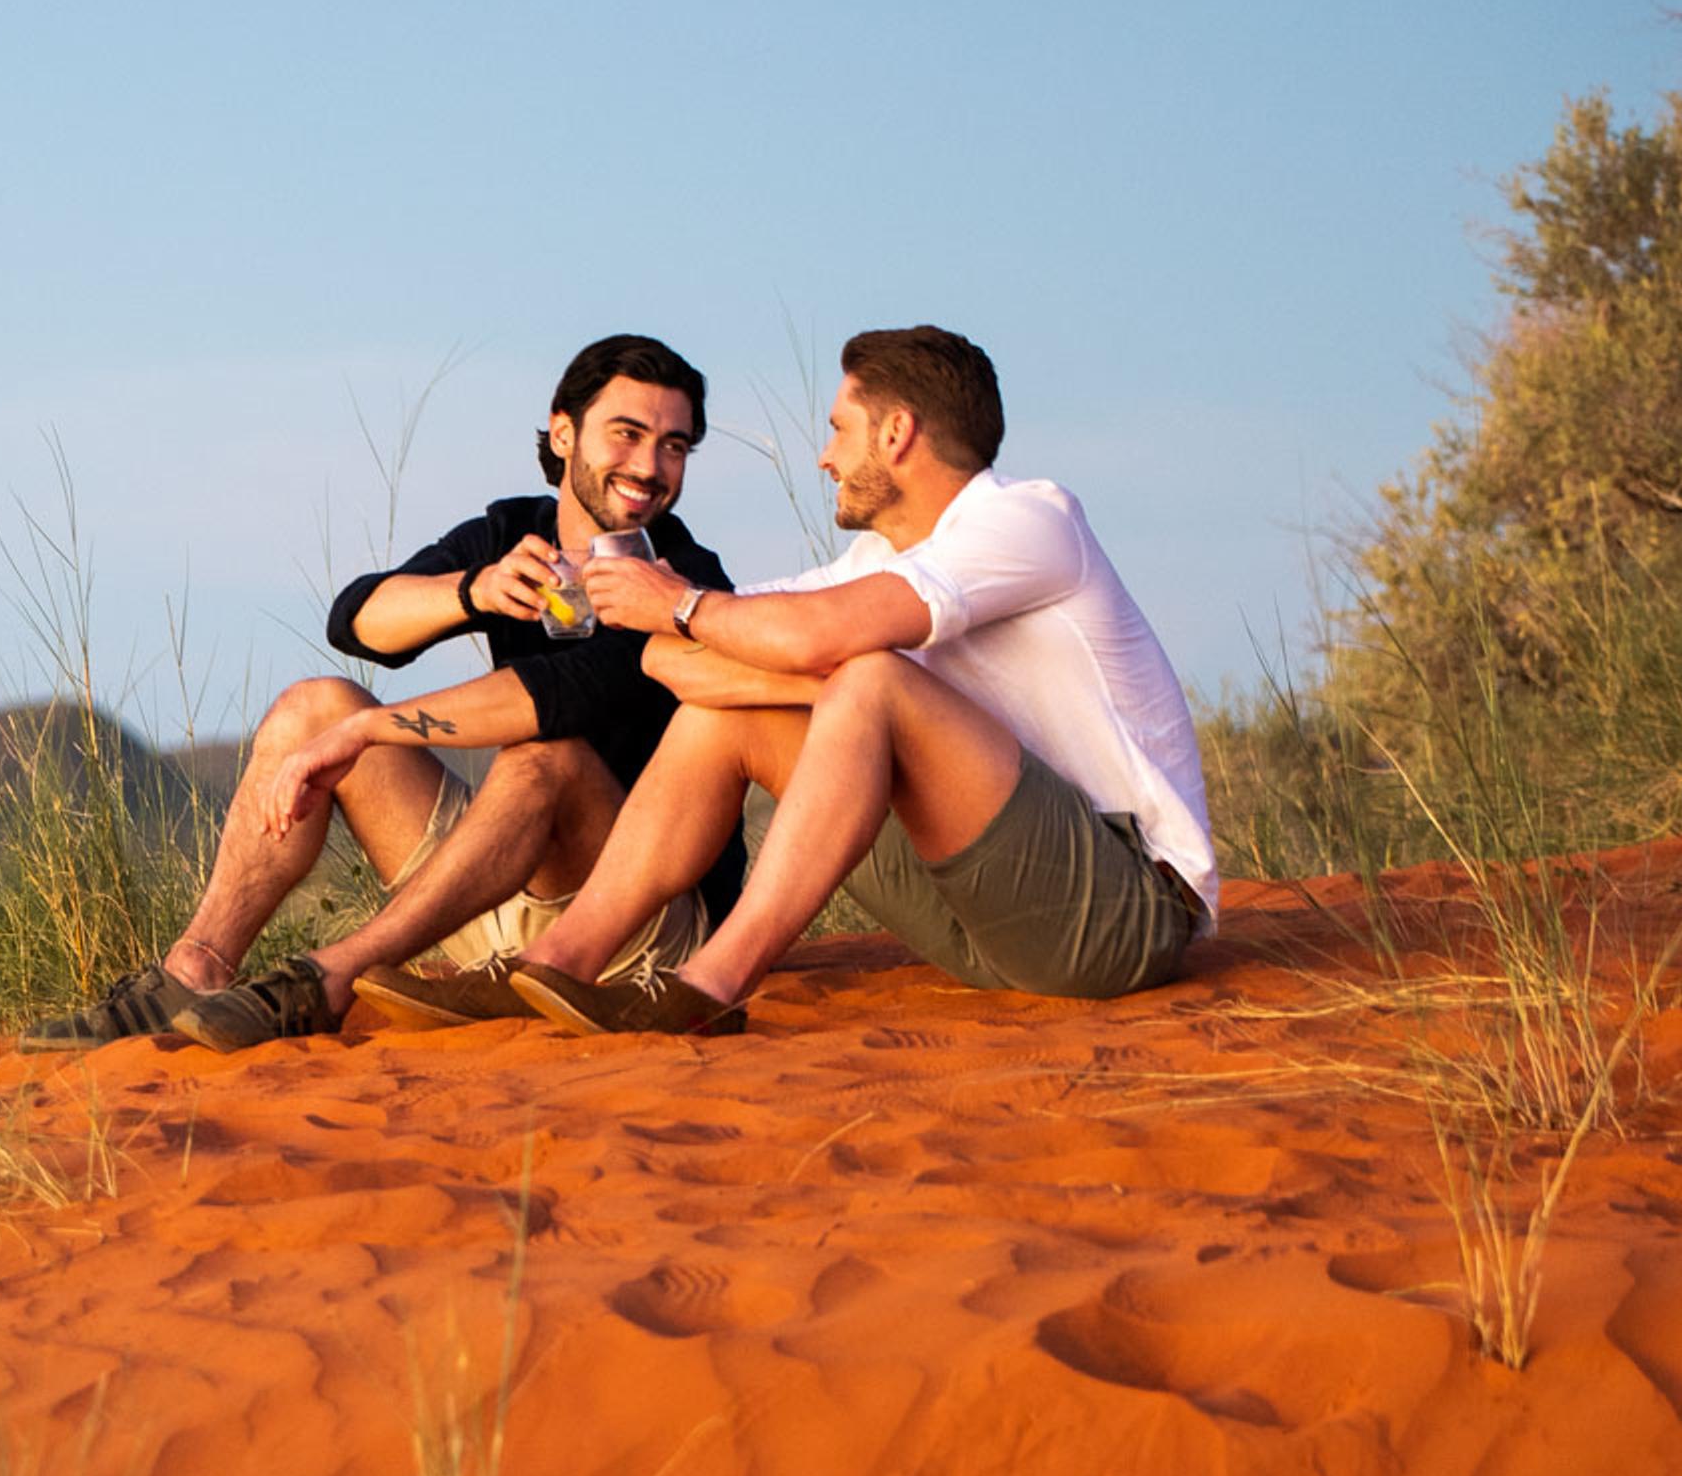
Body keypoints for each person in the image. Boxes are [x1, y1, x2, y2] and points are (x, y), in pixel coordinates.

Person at [24, 333, 752, 1052]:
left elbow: (554, 697)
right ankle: (195, 971)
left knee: (546, 755)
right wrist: (474, 592)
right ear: (564, 433)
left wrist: (372, 732)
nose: (650, 465)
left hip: (639, 923)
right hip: (499, 892)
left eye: (675, 446)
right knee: (316, 705)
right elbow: (360, 621)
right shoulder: (511, 531)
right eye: (627, 434)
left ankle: (331, 978)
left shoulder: (685, 576)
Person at [485, 323, 1213, 1037]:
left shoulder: (1027, 520)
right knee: (736, 711)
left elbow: (805, 636)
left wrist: (681, 603)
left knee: (868, 679)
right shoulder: (873, 560)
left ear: (895, 434)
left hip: (1120, 914)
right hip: (983, 926)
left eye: (840, 429)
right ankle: (559, 961)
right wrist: (798, 676)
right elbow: (671, 660)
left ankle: (708, 987)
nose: (826, 456)